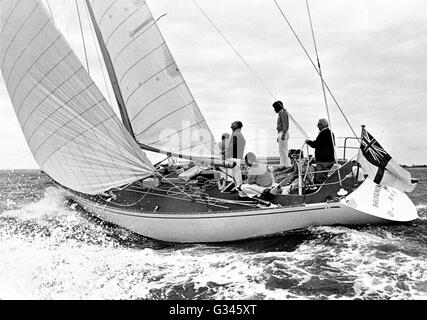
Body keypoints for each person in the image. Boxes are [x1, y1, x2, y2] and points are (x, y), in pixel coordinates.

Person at [305, 118, 336, 183]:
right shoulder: (331, 133)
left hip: (323, 161)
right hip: (330, 159)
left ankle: (320, 189)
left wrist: (308, 142)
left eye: (318, 124)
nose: (317, 126)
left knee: (320, 178)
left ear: (321, 125)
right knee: (324, 175)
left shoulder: (322, 134)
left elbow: (315, 144)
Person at [224, 121, 246, 188]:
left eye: (232, 124)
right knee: (237, 175)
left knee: (234, 175)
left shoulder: (236, 134)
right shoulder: (239, 134)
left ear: (237, 125)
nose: (231, 126)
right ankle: (238, 187)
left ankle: (237, 188)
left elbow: (233, 145)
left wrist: (226, 152)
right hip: (238, 157)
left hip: (234, 158)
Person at [272, 101, 290, 170]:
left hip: (283, 132)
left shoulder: (282, 112)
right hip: (281, 132)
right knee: (281, 150)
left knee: (284, 150)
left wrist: (283, 134)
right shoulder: (281, 113)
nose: (274, 110)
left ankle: (287, 165)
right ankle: (283, 164)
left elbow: (285, 124)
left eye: (274, 108)